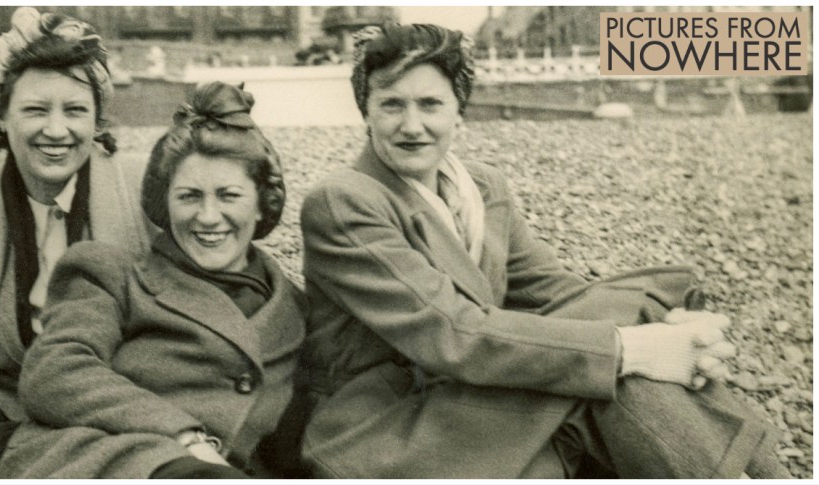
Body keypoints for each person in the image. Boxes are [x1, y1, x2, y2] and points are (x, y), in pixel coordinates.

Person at [298, 23, 788, 479]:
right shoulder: (345, 200)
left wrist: (662, 328)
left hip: (468, 396)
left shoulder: (482, 187)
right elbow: (453, 333)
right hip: (386, 424)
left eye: (430, 105)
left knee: (616, 350)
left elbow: (555, 290)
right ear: (366, 109)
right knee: (612, 373)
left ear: (458, 109)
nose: (412, 125)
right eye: (391, 104)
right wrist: (629, 349)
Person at [0, 81, 309, 479]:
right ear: (165, 202)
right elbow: (54, 372)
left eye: (229, 196)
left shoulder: (295, 307)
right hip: (113, 461)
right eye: (189, 196)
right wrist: (186, 437)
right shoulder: (110, 273)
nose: (208, 217)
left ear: (264, 203)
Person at [0, 7, 151, 478]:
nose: (56, 130)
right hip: (2, 410)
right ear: (2, 117)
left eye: (74, 110)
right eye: (35, 110)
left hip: (123, 404)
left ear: (98, 119)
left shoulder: (144, 194)